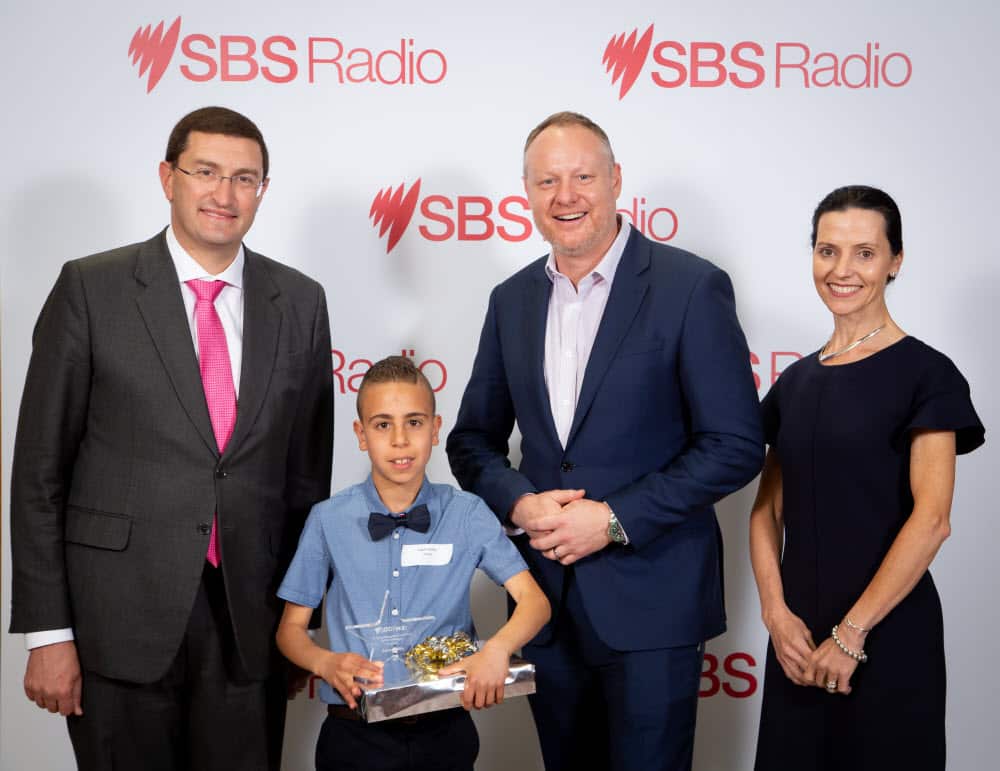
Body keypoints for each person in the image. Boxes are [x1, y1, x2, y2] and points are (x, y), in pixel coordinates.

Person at [9, 106, 334, 771]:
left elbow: (307, 478)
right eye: (206, 172)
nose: (224, 194)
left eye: (245, 178)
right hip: (116, 623)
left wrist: (304, 623)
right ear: (168, 177)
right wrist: (48, 631)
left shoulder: (300, 301)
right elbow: (39, 473)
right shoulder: (91, 288)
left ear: (263, 190)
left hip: (250, 623)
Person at [446, 111, 763, 771]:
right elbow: (472, 439)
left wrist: (615, 519)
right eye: (547, 180)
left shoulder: (689, 287)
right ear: (527, 193)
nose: (566, 195)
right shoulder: (511, 300)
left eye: (583, 176)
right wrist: (521, 503)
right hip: (543, 608)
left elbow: (735, 442)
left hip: (654, 603)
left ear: (616, 180)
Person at [749, 185, 985, 770]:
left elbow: (932, 520)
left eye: (864, 253)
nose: (842, 270)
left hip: (887, 634)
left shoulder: (927, 374)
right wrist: (777, 617)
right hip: (798, 643)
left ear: (895, 261)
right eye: (827, 251)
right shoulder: (797, 382)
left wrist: (853, 634)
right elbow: (764, 513)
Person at [276, 355, 550, 771]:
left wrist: (497, 650)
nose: (400, 440)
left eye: (415, 422)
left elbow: (535, 602)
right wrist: (324, 662)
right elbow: (290, 631)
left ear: (436, 430)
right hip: (353, 736)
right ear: (361, 434)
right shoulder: (327, 519)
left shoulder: (469, 514)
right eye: (383, 424)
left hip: (445, 731)